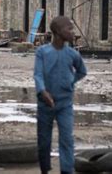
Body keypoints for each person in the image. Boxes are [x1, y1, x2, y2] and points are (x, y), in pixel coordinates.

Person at [34, 16, 87, 174]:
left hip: (65, 104)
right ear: (57, 32)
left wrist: (70, 82)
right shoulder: (42, 52)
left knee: (67, 139)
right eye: (69, 29)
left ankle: (67, 170)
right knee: (44, 141)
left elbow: (82, 71)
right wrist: (43, 91)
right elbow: (38, 75)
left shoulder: (72, 54)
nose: (72, 32)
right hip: (45, 104)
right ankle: (45, 169)